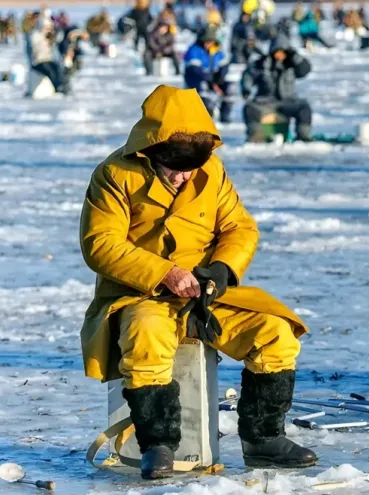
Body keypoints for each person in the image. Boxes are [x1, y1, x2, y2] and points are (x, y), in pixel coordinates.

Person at [79, 84, 316, 480]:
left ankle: (263, 439)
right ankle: (158, 444)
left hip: (206, 294)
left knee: (275, 333)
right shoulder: (113, 175)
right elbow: (99, 244)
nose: (183, 177)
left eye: (191, 167)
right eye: (174, 166)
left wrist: (221, 271)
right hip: (143, 293)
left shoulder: (212, 173)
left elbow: (239, 227)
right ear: (150, 153)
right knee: (145, 337)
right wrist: (164, 274)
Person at [241, 34, 314, 143]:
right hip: (265, 102)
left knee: (304, 108)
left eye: (282, 52)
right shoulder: (261, 64)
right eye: (277, 51)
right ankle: (256, 137)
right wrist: (246, 89)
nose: (279, 55)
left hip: (288, 102)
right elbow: (248, 75)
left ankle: (303, 136)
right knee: (250, 108)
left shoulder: (292, 64)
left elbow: (305, 70)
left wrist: (296, 57)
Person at [184, 29, 235, 122]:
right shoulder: (194, 50)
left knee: (230, 88)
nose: (209, 44)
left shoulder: (217, 51)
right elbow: (195, 71)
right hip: (197, 81)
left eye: (211, 41)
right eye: (207, 41)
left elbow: (224, 67)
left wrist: (219, 80)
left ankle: (225, 116)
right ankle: (205, 115)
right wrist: (212, 83)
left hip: (214, 80)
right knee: (203, 88)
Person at [27, 15, 68, 94]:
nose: (48, 28)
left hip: (47, 60)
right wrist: (44, 39)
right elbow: (34, 48)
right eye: (46, 27)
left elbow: (59, 39)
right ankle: (58, 87)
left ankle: (61, 86)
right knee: (50, 71)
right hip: (38, 62)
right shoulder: (35, 35)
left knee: (57, 68)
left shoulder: (49, 36)